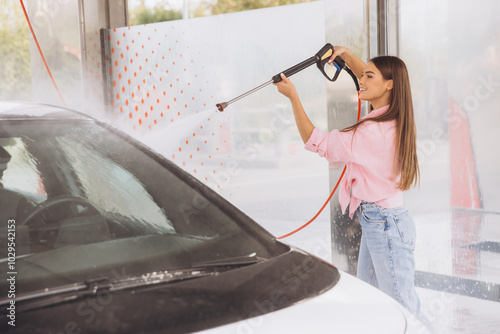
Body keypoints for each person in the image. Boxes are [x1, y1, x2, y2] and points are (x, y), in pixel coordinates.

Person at [274, 46, 421, 316]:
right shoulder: (395, 116)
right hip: (383, 221)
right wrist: (347, 55)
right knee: (372, 304)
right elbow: (376, 75)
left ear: (389, 85)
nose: (360, 81)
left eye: (368, 77)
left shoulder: (371, 131)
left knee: (405, 311)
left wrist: (293, 97)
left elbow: (317, 142)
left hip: (385, 224)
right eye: (361, 74)